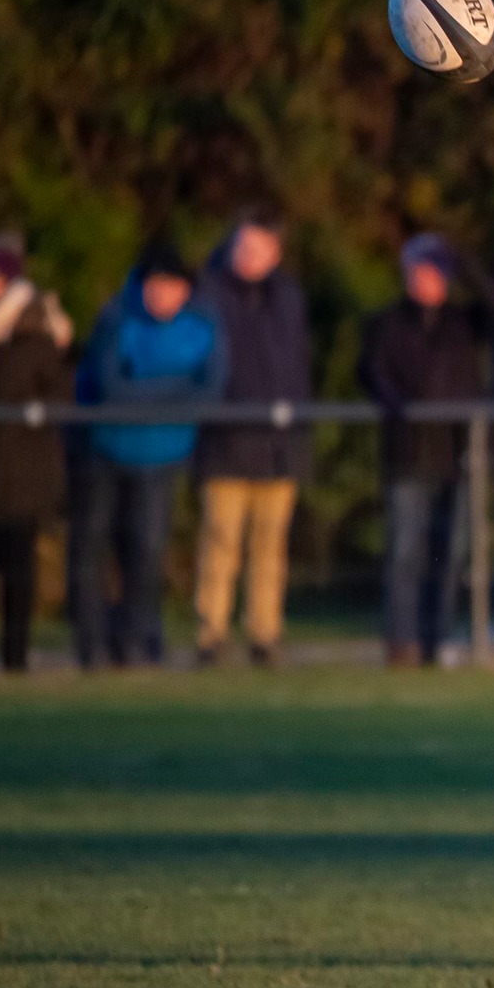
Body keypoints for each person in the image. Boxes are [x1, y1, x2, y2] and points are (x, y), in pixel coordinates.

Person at [71, 243, 227, 668]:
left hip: (161, 455)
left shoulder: (202, 327)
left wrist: (145, 391)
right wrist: (172, 391)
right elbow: (110, 388)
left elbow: (208, 392)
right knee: (90, 546)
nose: (161, 296)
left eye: (171, 286)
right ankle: (91, 645)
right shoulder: (116, 318)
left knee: (146, 550)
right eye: (154, 286)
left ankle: (136, 642)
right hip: (103, 450)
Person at [360, 234, 494, 666]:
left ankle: (436, 638)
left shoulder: (463, 323)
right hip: (408, 455)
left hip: (456, 455)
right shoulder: (387, 324)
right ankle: (402, 642)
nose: (426, 281)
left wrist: (466, 265)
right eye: (418, 271)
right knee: (405, 551)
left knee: (448, 554)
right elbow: (372, 374)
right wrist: (401, 410)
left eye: (435, 272)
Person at [193, 212, 312, 667]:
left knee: (270, 545)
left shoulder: (288, 297)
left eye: (258, 249)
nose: (248, 258)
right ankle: (212, 633)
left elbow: (294, 367)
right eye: (242, 247)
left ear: (275, 254)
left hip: (278, 443)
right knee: (221, 540)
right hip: (226, 439)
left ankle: (265, 633)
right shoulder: (212, 294)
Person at [0, 233, 73, 671]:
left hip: (21, 476)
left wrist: (33, 415)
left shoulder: (36, 338)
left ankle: (15, 656)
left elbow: (61, 398)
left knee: (16, 572)